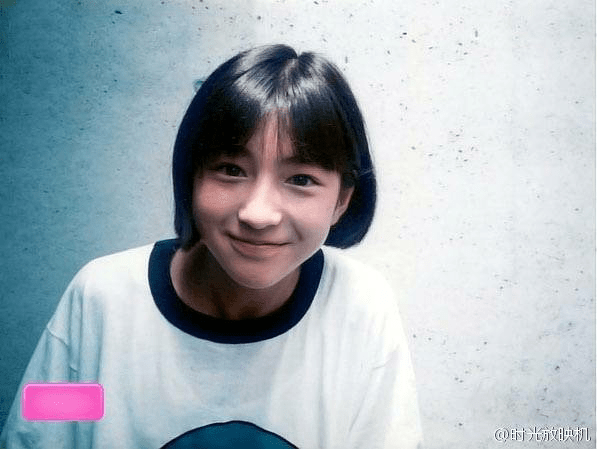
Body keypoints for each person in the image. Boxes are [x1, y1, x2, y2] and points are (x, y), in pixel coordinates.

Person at [0, 44, 422, 448]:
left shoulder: (358, 309)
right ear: (191, 176)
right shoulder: (104, 301)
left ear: (342, 200)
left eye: (300, 179)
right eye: (231, 169)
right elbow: (47, 436)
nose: (258, 213)